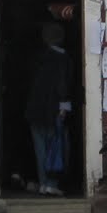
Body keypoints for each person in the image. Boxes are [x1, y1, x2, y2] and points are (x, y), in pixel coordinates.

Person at [25, 22, 72, 196]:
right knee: (56, 147)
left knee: (40, 149)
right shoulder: (62, 58)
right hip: (53, 109)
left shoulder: (36, 57)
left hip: (34, 109)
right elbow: (63, 85)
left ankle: (43, 182)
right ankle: (52, 183)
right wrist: (64, 107)